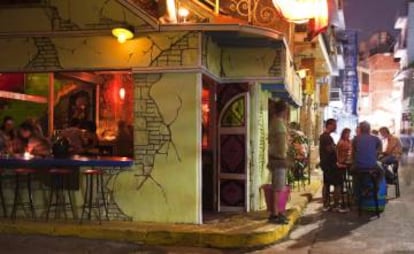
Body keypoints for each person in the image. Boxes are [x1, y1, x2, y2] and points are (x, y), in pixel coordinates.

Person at [267, 100, 290, 224]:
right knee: (278, 188)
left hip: (274, 158)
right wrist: (285, 156)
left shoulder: (273, 122)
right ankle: (275, 213)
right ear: (284, 111)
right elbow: (281, 146)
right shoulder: (279, 124)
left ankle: (275, 212)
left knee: (276, 187)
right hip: (279, 160)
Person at [319, 119, 346, 212]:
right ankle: (336, 205)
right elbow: (330, 150)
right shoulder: (326, 138)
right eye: (334, 125)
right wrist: (335, 148)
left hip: (326, 164)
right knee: (337, 184)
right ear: (329, 125)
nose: (336, 127)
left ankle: (326, 205)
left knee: (326, 183)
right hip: (330, 165)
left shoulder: (325, 137)